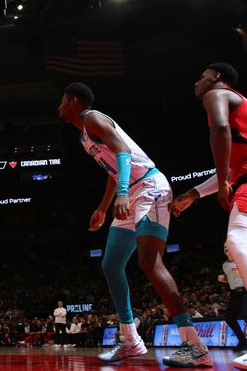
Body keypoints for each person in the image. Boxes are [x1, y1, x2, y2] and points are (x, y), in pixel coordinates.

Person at [58, 83, 210, 366]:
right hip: (132, 188)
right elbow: (114, 169)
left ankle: (194, 344)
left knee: (149, 262)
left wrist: (125, 192)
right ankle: (130, 340)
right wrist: (102, 209)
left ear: (74, 102)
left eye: (62, 101)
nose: (59, 107)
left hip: (149, 186)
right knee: (111, 264)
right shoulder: (84, 136)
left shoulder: (93, 118)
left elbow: (124, 152)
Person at [172, 62, 247, 369]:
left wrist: (223, 180)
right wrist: (193, 193)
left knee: (237, 241)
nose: (196, 83)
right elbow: (231, 166)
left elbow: (220, 128)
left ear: (216, 77)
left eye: (200, 76)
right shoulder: (239, 104)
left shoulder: (217, 93)